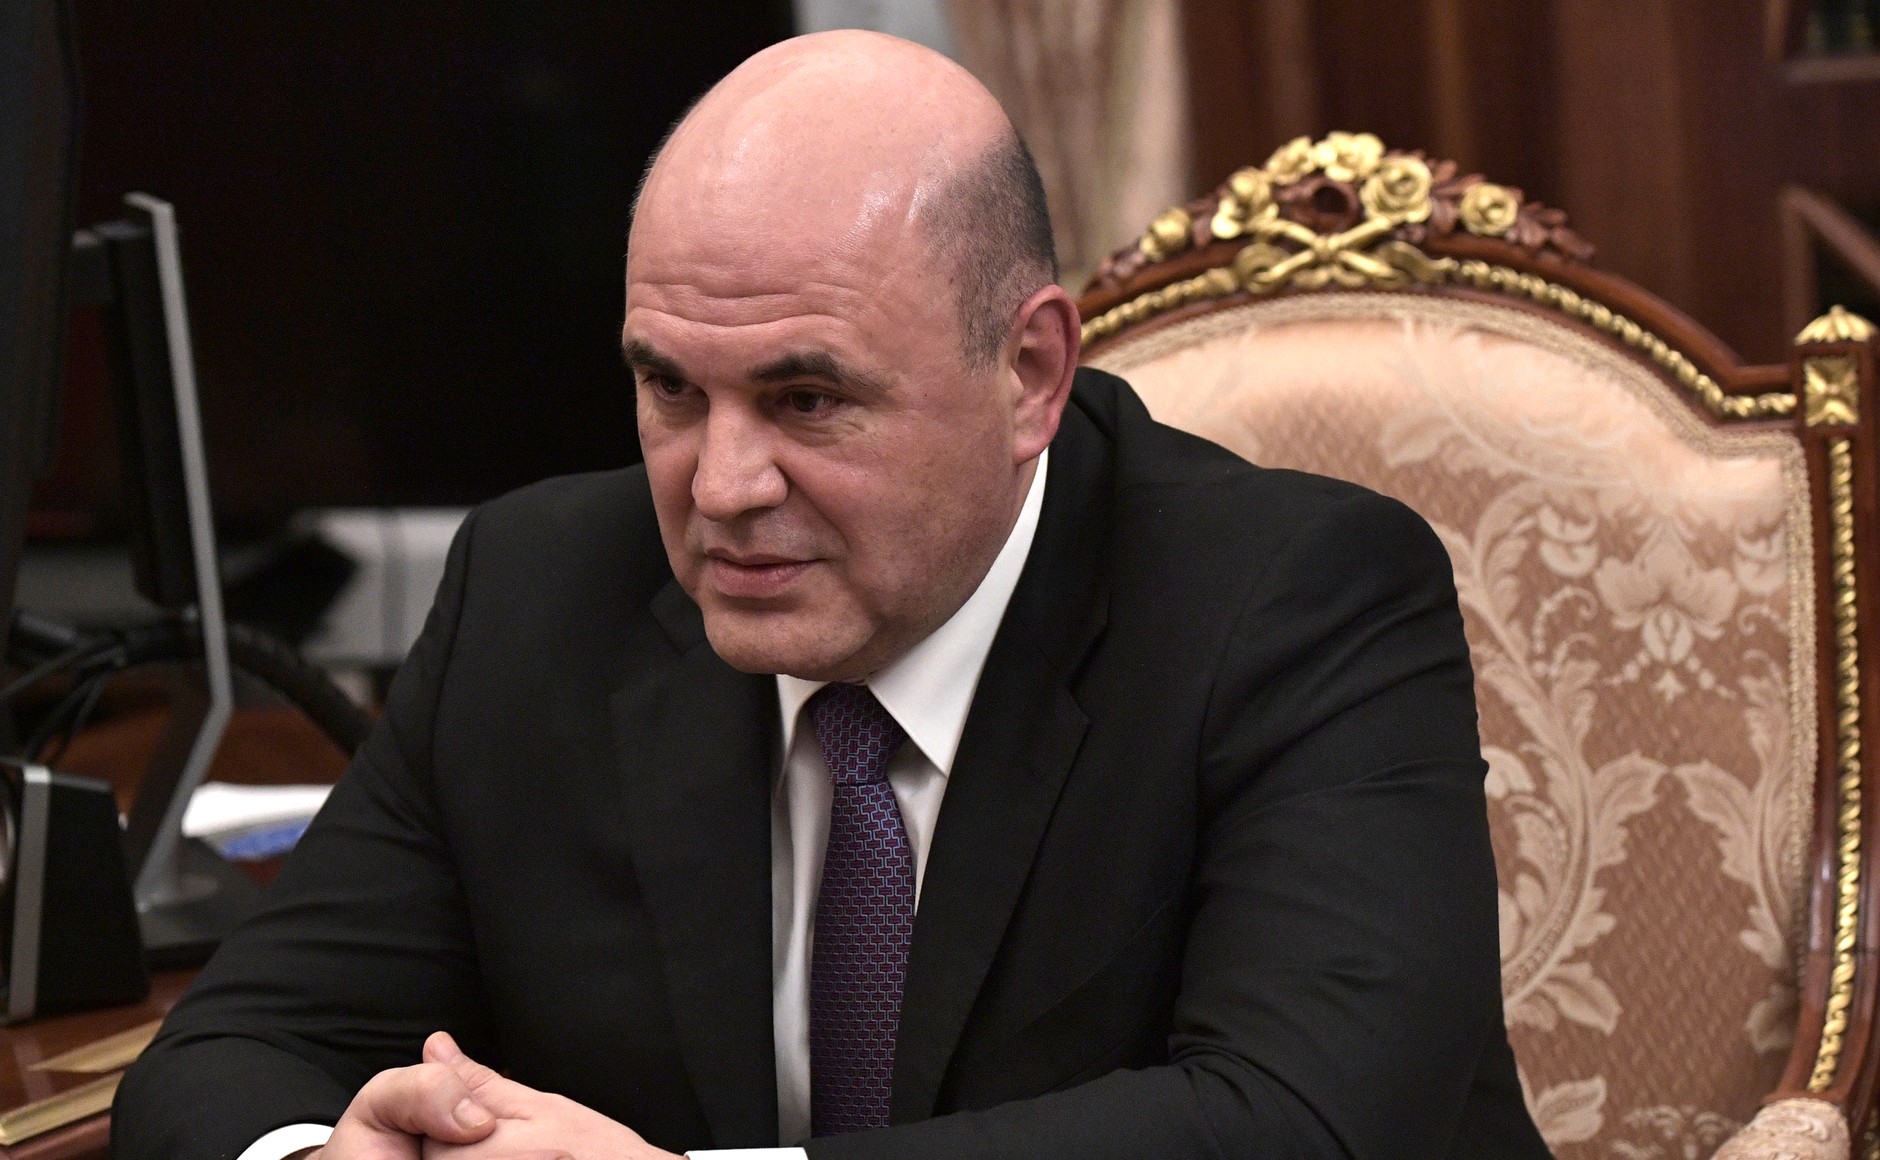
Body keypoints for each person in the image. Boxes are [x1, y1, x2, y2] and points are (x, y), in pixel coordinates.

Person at [115, 29, 1549, 1160]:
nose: (723, 484)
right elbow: (226, 1059)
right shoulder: (538, 592)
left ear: (1030, 375)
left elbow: (1306, 1123)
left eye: (807, 398)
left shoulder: (1295, 603)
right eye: (670, 388)